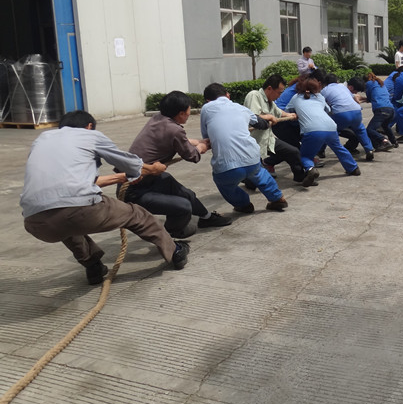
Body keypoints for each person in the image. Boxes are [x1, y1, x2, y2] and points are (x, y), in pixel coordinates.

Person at [20, 110, 189, 285]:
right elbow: (128, 163)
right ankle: (175, 252)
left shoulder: (42, 139)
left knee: (65, 223)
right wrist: (152, 169)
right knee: (137, 214)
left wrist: (122, 177)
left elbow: (71, 183)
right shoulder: (90, 135)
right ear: (89, 126)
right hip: (81, 210)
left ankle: (93, 266)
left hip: (35, 222)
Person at [124, 91, 231, 239]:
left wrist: (198, 142)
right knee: (183, 205)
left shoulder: (158, 119)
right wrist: (201, 147)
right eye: (188, 111)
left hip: (151, 178)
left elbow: (179, 139)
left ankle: (206, 218)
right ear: (181, 113)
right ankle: (172, 235)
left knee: (187, 194)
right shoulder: (174, 129)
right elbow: (192, 156)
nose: (189, 114)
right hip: (134, 189)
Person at [201, 83, 288, 213]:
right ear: (228, 95)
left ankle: (243, 204)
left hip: (227, 166)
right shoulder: (240, 108)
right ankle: (277, 198)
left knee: (223, 182)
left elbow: (206, 137)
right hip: (252, 159)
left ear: (208, 100)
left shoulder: (206, 108)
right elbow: (261, 124)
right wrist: (269, 120)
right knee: (260, 174)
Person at [285, 76, 360, 182]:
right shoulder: (319, 97)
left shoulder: (296, 97)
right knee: (338, 148)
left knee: (305, 155)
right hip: (330, 127)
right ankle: (353, 168)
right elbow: (328, 110)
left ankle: (310, 169)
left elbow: (287, 112)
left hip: (312, 129)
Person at [243, 75, 305, 183]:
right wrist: (269, 117)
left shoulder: (270, 101)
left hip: (268, 139)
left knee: (293, 152)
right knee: (256, 178)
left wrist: (290, 115)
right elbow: (252, 117)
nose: (279, 96)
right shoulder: (254, 95)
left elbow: (279, 112)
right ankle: (248, 180)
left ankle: (302, 178)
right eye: (279, 92)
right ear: (270, 88)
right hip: (253, 141)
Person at [321, 73, 375, 161]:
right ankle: (369, 149)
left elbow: (322, 104)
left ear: (325, 83)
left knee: (328, 129)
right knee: (360, 129)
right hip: (356, 111)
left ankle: (321, 150)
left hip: (341, 114)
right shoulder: (342, 87)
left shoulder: (325, 90)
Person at [347, 74, 395, 150]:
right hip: (391, 109)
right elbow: (371, 98)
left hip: (381, 109)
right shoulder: (380, 83)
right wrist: (361, 99)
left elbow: (369, 98)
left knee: (370, 130)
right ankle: (394, 142)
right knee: (385, 126)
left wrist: (360, 99)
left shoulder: (368, 84)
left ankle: (384, 140)